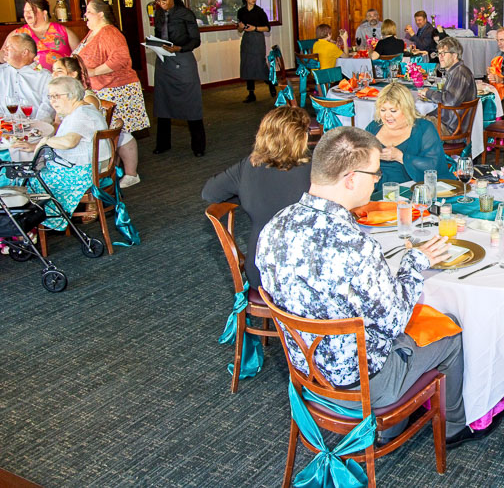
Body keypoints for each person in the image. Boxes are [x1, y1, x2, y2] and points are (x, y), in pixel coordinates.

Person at [256, 126, 480, 447]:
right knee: (452, 334)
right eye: (374, 174)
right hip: (359, 384)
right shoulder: (354, 244)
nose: (377, 181)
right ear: (350, 179)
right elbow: (394, 322)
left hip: (306, 370)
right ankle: (449, 427)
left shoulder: (275, 226)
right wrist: (415, 260)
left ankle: (395, 422)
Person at [202, 106, 311, 290]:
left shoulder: (247, 166)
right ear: (300, 137)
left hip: (260, 270)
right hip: (304, 271)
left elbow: (209, 193)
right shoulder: (314, 171)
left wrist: (245, 193)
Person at [10, 76, 109, 230]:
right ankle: (33, 224)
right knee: (30, 173)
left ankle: (32, 226)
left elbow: (69, 141)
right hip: (89, 166)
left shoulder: (82, 114)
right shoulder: (82, 110)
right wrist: (35, 145)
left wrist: (45, 141)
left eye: (57, 96)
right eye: (50, 96)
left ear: (73, 95)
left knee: (26, 181)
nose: (52, 101)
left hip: (84, 172)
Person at [75, 0, 150, 185]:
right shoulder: (93, 33)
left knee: (120, 131)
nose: (85, 15)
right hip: (101, 89)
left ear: (101, 14)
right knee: (109, 132)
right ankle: (113, 170)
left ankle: (132, 174)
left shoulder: (109, 32)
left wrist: (92, 72)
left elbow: (120, 59)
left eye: (89, 12)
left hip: (117, 89)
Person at [52, 56, 142, 188]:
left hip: (89, 150)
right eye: (53, 70)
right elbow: (57, 123)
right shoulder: (62, 96)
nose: (53, 74)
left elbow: (84, 129)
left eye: (59, 71)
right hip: (76, 142)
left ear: (73, 74)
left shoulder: (86, 100)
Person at [365, 82, 453, 189]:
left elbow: (434, 165)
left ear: (407, 109)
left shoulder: (424, 128)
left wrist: (401, 157)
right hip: (373, 188)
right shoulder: (374, 127)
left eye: (393, 110)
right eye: (383, 110)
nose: (387, 115)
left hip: (409, 188)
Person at [152, 0, 205, 157]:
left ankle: (198, 147)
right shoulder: (159, 13)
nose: (161, 3)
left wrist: (179, 48)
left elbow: (195, 41)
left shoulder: (185, 13)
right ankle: (163, 144)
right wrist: (155, 44)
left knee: (191, 102)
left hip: (182, 60)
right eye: (158, 0)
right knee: (162, 103)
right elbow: (158, 35)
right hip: (164, 62)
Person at [0, 32, 55, 123]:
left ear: (25, 52)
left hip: (33, 128)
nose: (4, 49)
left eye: (9, 46)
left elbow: (48, 106)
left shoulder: (44, 76)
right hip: (0, 127)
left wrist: (38, 126)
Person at [0, 0, 80, 71]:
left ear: (44, 13)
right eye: (25, 11)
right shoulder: (17, 34)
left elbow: (80, 56)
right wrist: (8, 56)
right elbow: (1, 57)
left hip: (60, 78)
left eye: (31, 11)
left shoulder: (63, 31)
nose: (27, 14)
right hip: (29, 79)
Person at [419, 37, 476, 135]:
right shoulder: (455, 71)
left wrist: (428, 93)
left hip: (451, 129)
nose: (440, 57)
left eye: (444, 54)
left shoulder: (460, 72)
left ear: (454, 55)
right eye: (439, 53)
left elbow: (451, 100)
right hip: (448, 123)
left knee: (410, 125)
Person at [236, 0, 274, 103]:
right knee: (247, 65)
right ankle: (251, 93)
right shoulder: (241, 11)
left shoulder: (260, 11)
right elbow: (239, 29)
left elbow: (267, 28)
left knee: (259, 64)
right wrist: (241, 27)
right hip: (247, 40)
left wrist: (255, 28)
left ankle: (270, 83)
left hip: (257, 39)